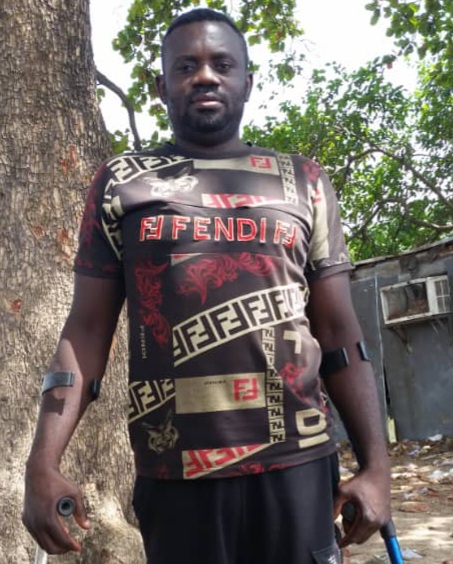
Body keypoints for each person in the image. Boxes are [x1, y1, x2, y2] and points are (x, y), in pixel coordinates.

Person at [23, 8, 391, 564]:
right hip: (174, 473)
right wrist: (42, 463)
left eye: (222, 64)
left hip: (297, 466)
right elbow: (87, 329)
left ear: (248, 80)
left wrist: (377, 469)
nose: (205, 76)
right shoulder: (122, 183)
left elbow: (340, 332)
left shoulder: (304, 181)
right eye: (186, 66)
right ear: (161, 86)